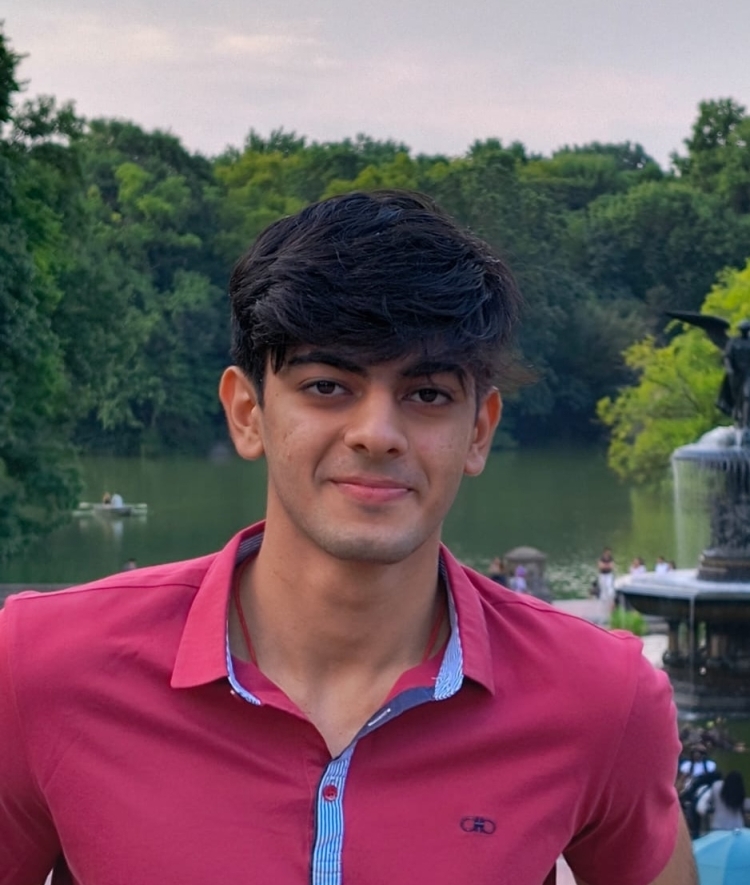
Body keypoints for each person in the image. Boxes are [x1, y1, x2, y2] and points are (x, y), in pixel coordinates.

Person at [0, 190, 695, 884]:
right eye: (328, 385)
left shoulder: (602, 697)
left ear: (478, 430)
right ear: (248, 412)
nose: (377, 434)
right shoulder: (41, 669)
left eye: (426, 395)